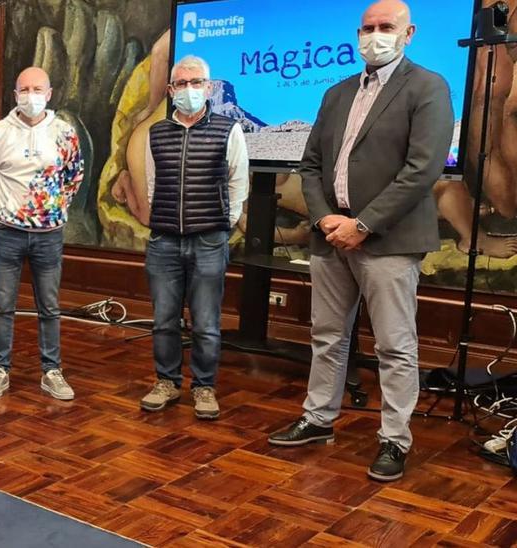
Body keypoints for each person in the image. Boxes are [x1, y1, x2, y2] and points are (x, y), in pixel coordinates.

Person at [268, 0, 454, 482]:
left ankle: (394, 439)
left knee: (395, 346)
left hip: (388, 240)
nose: (376, 35)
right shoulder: (335, 92)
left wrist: (364, 224)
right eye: (368, 27)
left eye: (385, 27)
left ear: (408, 33)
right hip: (331, 236)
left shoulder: (428, 86)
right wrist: (327, 217)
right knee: (327, 336)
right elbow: (310, 165)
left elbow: (423, 170)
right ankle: (317, 420)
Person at [137, 55, 249, 420]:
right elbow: (153, 186)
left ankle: (204, 387)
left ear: (209, 87)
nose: (189, 90)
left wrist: (223, 223)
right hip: (164, 240)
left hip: (209, 241)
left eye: (196, 82)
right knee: (164, 319)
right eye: (182, 84)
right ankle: (166, 382)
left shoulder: (229, 130)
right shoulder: (157, 133)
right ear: (170, 91)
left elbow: (238, 183)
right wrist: (165, 217)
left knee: (206, 322)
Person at [0, 67, 84, 401]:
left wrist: (51, 208)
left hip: (49, 234)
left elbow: (74, 176)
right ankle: (0, 369)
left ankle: (51, 371)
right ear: (15, 95)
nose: (31, 95)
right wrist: (11, 210)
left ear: (49, 94)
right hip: (7, 233)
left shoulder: (65, 133)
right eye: (24, 89)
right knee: (3, 304)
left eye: (37, 89)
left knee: (50, 306)